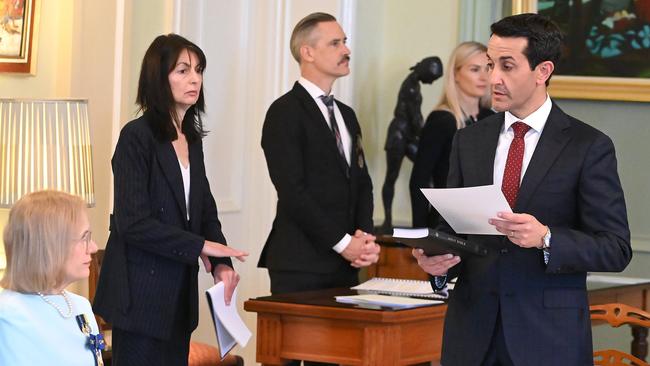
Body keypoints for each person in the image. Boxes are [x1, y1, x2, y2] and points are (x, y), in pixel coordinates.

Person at [413, 13, 632, 366]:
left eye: (507, 66)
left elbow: (616, 248)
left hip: (548, 339)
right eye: (489, 64)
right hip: (471, 337)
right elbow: (450, 231)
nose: (492, 78)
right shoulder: (467, 141)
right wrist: (437, 262)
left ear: (542, 71)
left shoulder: (588, 146)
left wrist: (547, 237)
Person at [92, 34, 248, 366]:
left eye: (198, 70)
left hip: (177, 299)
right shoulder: (136, 137)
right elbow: (132, 223)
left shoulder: (192, 139)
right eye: (182, 70)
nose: (194, 79)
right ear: (158, 77)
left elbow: (205, 211)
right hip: (139, 299)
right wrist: (200, 246)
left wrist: (222, 265)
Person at [260, 13, 380, 365]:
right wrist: (345, 244)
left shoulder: (347, 114)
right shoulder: (283, 112)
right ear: (307, 52)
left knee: (333, 359)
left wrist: (364, 239)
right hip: (300, 264)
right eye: (335, 43)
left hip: (343, 266)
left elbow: (362, 182)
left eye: (345, 41)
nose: (346, 50)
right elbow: (292, 191)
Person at [0, 190, 102, 366]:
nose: (93, 247)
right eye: (84, 237)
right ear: (50, 245)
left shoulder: (80, 305)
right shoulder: (7, 316)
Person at [409, 41, 493, 228]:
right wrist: (421, 238)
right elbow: (419, 181)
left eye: (488, 69)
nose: (483, 77)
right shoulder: (442, 120)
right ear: (455, 74)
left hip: (485, 225)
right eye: (474, 69)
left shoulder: (492, 118)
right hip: (446, 225)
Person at [380, 56, 442, 231]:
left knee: (427, 171)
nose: (431, 83)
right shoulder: (411, 88)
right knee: (391, 177)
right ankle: (387, 221)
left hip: (407, 135)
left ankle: (432, 218)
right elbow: (415, 119)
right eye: (432, 79)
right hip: (398, 135)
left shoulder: (414, 85)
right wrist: (428, 135)